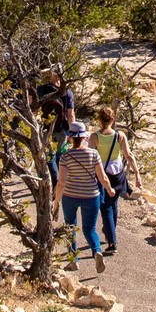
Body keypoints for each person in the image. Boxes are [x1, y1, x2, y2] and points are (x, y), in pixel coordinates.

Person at [54, 121, 115, 273]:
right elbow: (102, 177)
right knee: (90, 229)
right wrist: (109, 189)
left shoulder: (65, 156)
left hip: (70, 195)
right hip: (91, 195)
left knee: (70, 227)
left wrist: (56, 201)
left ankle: (73, 261)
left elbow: (61, 182)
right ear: (84, 137)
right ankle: (97, 251)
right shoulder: (93, 154)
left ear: (70, 137)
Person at [92, 105, 142, 255]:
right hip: (118, 174)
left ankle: (112, 241)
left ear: (99, 120)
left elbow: (91, 158)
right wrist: (137, 174)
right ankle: (110, 230)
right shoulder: (119, 136)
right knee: (113, 204)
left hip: (103, 174)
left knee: (105, 206)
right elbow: (128, 155)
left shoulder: (95, 137)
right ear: (113, 119)